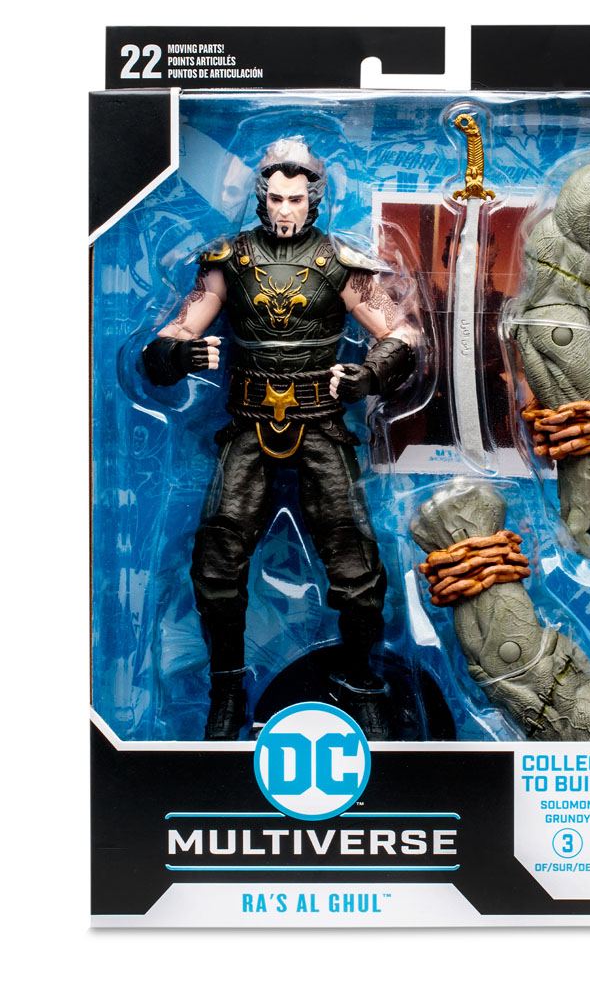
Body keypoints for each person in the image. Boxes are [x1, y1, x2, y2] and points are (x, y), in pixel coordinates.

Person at [141, 137, 416, 739]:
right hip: (247, 423)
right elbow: (170, 337)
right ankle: (226, 688)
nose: (284, 208)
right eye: (274, 197)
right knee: (216, 564)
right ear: (262, 197)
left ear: (313, 198)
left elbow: (403, 335)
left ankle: (360, 679)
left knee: (357, 568)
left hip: (321, 422)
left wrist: (370, 374)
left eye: (295, 198)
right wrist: (179, 355)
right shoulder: (229, 260)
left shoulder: (340, 262)